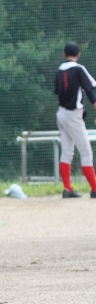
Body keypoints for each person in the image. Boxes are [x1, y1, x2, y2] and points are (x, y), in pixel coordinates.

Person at [54, 42, 96, 199]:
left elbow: (58, 91)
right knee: (86, 152)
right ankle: (95, 189)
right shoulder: (79, 69)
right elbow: (90, 90)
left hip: (61, 114)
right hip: (74, 115)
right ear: (78, 55)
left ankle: (67, 189)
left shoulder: (59, 70)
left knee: (67, 152)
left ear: (63, 54)